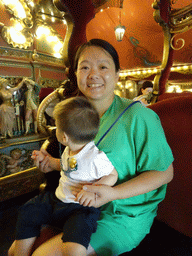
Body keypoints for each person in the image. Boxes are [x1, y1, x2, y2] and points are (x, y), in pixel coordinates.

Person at [9, 39, 174, 256]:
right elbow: (81, 164)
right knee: (16, 249)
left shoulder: (139, 116)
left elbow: (165, 173)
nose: (93, 74)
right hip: (75, 203)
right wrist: (52, 164)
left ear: (117, 74)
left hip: (120, 214)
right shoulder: (75, 113)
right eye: (85, 67)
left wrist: (112, 193)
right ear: (75, 74)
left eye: (103, 67)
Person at [8, 96, 117, 256]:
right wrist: (47, 161)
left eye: (56, 127)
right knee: (28, 210)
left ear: (64, 136)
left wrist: (94, 190)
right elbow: (69, 166)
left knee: (74, 246)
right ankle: (21, 252)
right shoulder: (70, 148)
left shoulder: (95, 157)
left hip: (80, 208)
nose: (54, 129)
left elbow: (113, 174)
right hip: (57, 199)